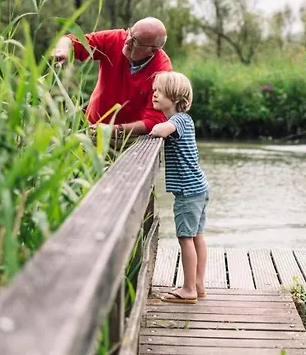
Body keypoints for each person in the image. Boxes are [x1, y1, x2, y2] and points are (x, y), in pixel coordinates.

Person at [50, 17, 172, 138]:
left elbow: (155, 120)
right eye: (130, 33)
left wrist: (114, 129)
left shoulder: (162, 71)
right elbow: (72, 41)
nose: (127, 41)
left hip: (129, 139)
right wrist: (62, 51)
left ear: (153, 51)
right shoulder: (116, 38)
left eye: (135, 41)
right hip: (91, 129)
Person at [149, 71, 209, 304]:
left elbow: (159, 130)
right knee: (197, 236)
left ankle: (188, 289)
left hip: (187, 192)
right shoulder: (185, 120)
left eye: (159, 91)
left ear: (173, 98)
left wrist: (155, 128)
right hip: (199, 188)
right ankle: (198, 284)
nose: (154, 94)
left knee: (185, 237)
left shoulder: (177, 121)